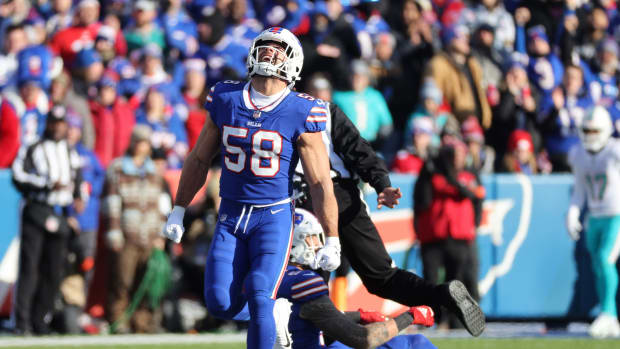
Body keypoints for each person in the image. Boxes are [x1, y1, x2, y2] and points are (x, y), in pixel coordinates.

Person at [161, 27, 340, 349]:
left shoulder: (302, 109)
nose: (270, 53)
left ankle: (269, 308)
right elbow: (200, 158)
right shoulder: (226, 97)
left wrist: (333, 237)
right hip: (230, 214)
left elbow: (319, 181)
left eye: (278, 49)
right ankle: (278, 311)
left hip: (272, 216)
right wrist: (178, 209)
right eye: (265, 47)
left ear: (293, 61)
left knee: (259, 291)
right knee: (219, 302)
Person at [294, 92, 485, 337]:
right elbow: (360, 149)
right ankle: (441, 295)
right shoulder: (323, 109)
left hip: (307, 198)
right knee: (382, 277)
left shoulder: (272, 111)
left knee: (308, 286)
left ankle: (316, 335)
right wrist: (381, 183)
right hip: (345, 197)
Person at [274, 208, 438, 349]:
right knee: (416, 342)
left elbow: (309, 318)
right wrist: (411, 316)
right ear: (296, 243)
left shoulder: (266, 276)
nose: (318, 244)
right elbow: (362, 338)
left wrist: (360, 316)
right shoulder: (304, 282)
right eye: (313, 237)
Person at [11, 105, 85, 335]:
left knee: (53, 270)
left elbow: (78, 178)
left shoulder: (70, 151)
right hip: (37, 209)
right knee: (30, 267)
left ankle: (41, 321)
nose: (57, 128)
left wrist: (78, 197)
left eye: (61, 124)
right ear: (48, 124)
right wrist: (45, 184)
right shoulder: (34, 147)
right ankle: (22, 322)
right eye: (54, 123)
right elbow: (18, 175)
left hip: (60, 212)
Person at [102, 125, 171, 334]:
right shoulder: (118, 168)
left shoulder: (153, 172)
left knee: (147, 282)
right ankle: (119, 320)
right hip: (127, 233)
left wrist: (161, 235)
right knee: (122, 281)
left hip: (149, 235)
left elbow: (160, 205)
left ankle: (143, 324)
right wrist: (114, 233)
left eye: (146, 143)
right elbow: (111, 204)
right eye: (140, 142)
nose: (142, 147)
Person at [566, 106, 620, 338]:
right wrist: (572, 212)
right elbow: (579, 191)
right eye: (586, 130)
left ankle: (608, 313)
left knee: (605, 259)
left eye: (595, 130)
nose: (590, 135)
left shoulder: (615, 151)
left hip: (615, 215)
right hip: (594, 217)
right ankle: (609, 316)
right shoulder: (578, 154)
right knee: (598, 266)